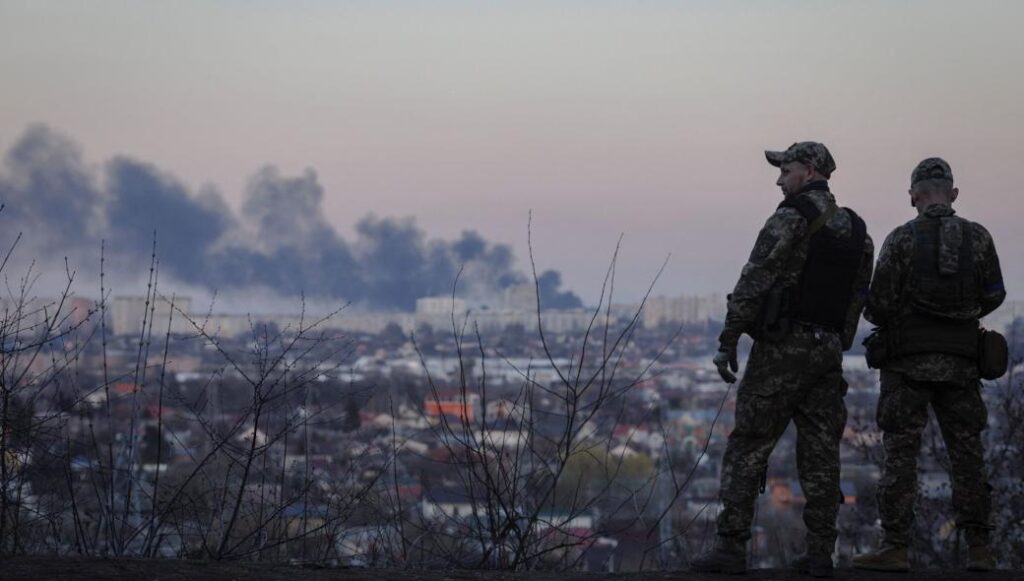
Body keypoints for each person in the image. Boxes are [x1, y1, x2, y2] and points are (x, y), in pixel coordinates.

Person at [692, 142, 874, 577]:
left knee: (749, 445)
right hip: (827, 353)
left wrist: (729, 338)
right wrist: (835, 343)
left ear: (808, 171)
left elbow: (755, 278)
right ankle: (820, 554)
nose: (779, 180)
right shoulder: (858, 231)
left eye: (786, 170)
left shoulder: (790, 217)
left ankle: (731, 547)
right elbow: (857, 299)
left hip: (782, 350)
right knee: (821, 454)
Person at [853, 158, 1005, 573]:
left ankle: (895, 546)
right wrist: (959, 314)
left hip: (908, 366)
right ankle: (980, 548)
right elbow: (994, 295)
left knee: (901, 455)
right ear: (953, 194)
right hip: (962, 365)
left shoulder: (901, 239)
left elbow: (878, 305)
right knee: (967, 455)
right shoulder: (979, 238)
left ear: (913, 197)